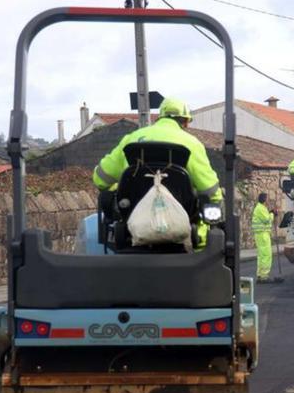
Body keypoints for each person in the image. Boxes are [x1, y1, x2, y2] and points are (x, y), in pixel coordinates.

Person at [92, 97, 222, 248]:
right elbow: (210, 190)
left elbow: (100, 179)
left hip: (133, 230)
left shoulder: (131, 139)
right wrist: (216, 203)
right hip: (182, 229)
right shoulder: (191, 143)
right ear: (185, 122)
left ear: (159, 117)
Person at [252, 193, 278, 282]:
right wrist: (273, 214)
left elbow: (265, 217)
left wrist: (270, 212)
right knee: (266, 255)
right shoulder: (260, 208)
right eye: (267, 198)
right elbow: (267, 220)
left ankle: (260, 274)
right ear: (264, 199)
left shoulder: (261, 208)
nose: (268, 200)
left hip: (261, 233)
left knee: (261, 255)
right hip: (263, 234)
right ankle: (264, 276)